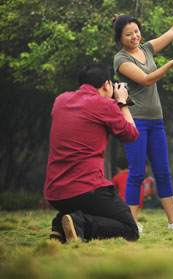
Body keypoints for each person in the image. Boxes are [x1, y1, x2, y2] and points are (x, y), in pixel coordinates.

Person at [113, 0, 173, 232]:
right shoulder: (121, 59)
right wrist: (170, 64)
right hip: (135, 121)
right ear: (120, 39)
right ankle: (131, 224)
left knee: (163, 172)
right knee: (136, 174)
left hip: (155, 121)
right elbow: (145, 79)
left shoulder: (147, 49)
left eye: (136, 31)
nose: (134, 36)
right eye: (128, 34)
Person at [43, 63, 139, 242]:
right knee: (130, 228)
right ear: (106, 85)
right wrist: (122, 103)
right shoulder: (105, 104)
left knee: (87, 206)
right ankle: (80, 223)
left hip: (55, 194)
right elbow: (131, 135)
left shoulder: (60, 101)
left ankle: (60, 224)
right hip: (87, 190)